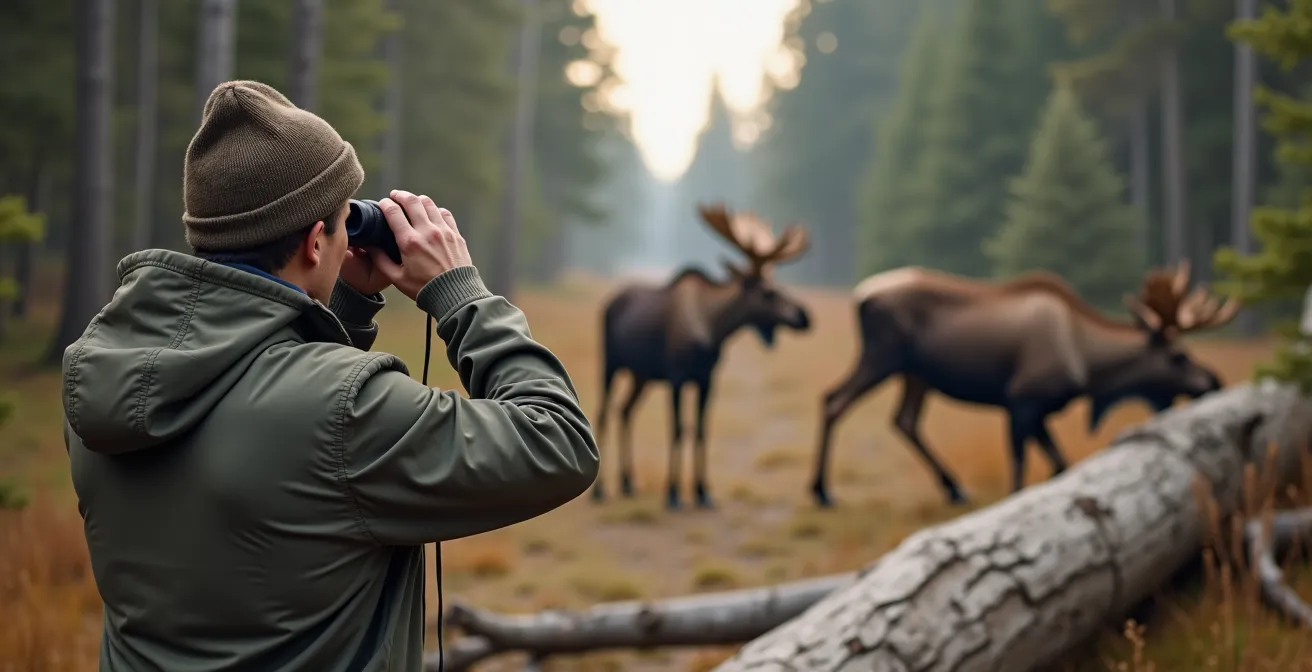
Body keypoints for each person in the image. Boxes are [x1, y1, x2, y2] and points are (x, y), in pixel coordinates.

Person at [60, 80, 600, 671]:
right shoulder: (349, 411)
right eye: (345, 221)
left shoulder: (102, 375)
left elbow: (273, 449)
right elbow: (560, 443)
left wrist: (342, 306)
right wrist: (459, 293)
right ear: (317, 242)